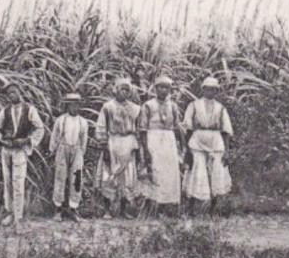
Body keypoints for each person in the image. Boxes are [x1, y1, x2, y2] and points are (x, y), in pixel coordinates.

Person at [0, 81, 44, 232]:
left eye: (14, 92)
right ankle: (10, 213)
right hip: (6, 149)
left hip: (20, 150)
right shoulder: (5, 110)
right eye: (9, 93)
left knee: (18, 182)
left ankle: (19, 217)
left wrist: (27, 140)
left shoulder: (30, 109)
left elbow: (39, 128)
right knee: (7, 181)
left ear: (20, 92)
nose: (12, 95)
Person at [182, 77, 234, 216]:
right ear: (203, 89)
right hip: (197, 141)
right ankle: (191, 208)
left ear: (216, 91)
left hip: (215, 141)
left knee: (216, 172)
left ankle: (213, 208)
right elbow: (187, 128)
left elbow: (226, 130)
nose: (210, 92)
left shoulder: (220, 108)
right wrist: (187, 149)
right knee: (197, 172)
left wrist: (227, 151)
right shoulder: (194, 105)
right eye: (207, 89)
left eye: (213, 89)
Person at [94, 77, 141, 219]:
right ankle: (107, 210)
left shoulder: (135, 108)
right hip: (113, 142)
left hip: (129, 142)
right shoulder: (108, 107)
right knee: (109, 175)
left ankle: (123, 209)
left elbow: (139, 128)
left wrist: (137, 146)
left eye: (127, 90)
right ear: (116, 90)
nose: (124, 92)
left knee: (127, 178)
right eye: (122, 89)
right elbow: (102, 127)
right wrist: (104, 146)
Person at [138, 76, 184, 217]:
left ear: (170, 90)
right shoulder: (148, 105)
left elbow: (177, 127)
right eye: (160, 87)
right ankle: (152, 208)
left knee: (169, 173)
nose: (163, 90)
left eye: (166, 87)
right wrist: (145, 150)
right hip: (154, 139)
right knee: (155, 171)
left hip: (168, 141)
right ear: (156, 89)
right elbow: (143, 129)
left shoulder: (173, 106)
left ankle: (166, 208)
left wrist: (182, 146)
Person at [49, 93, 89, 222]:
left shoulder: (82, 122)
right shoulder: (61, 120)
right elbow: (54, 136)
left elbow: (84, 139)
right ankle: (58, 209)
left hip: (76, 150)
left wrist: (81, 152)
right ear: (68, 105)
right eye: (72, 104)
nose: (74, 107)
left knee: (76, 179)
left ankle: (73, 209)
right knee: (60, 178)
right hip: (62, 149)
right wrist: (52, 150)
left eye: (76, 104)